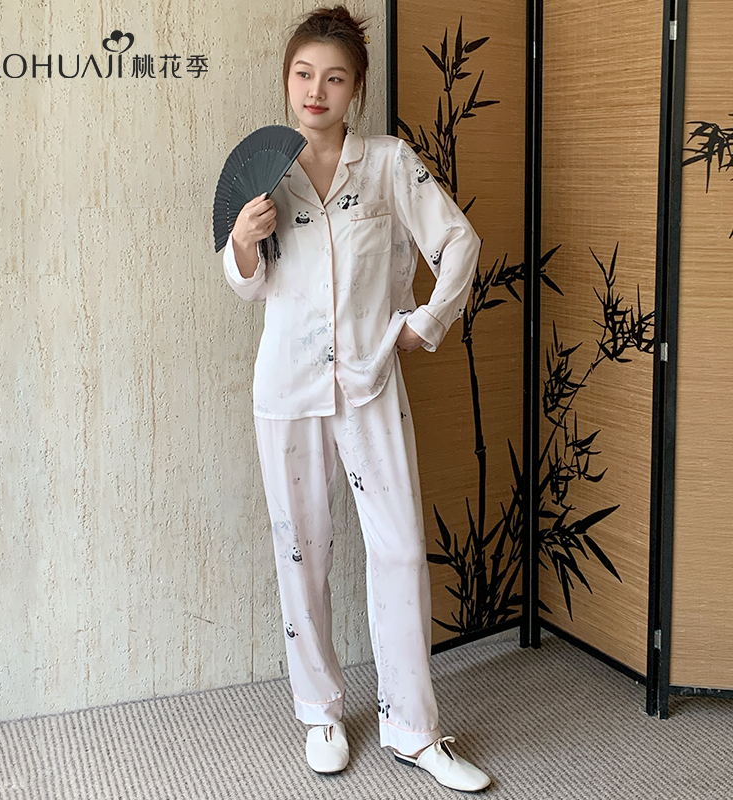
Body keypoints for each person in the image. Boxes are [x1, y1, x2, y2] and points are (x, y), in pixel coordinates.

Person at [222, 5, 490, 793]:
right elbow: (251, 285)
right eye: (303, 74)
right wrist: (242, 240)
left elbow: (459, 242)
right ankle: (320, 712)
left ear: (356, 87)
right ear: (287, 81)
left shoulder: (389, 163)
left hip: (371, 381)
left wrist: (424, 322)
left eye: (333, 77)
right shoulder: (265, 173)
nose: (316, 90)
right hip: (288, 387)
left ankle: (415, 729)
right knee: (301, 549)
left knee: (399, 549)